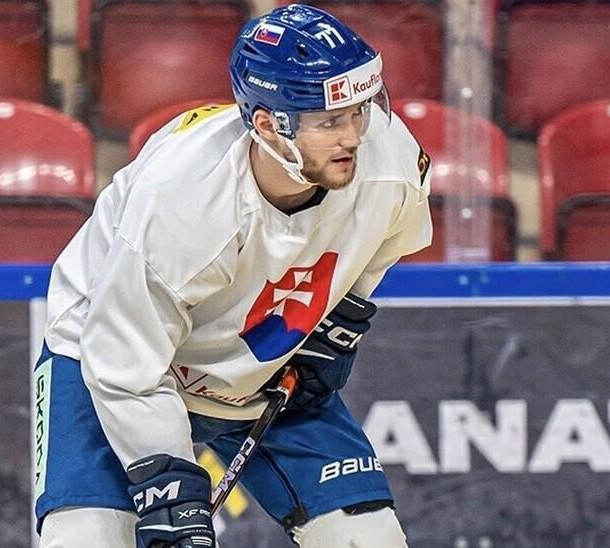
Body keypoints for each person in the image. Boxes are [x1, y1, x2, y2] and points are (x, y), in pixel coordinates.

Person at [33, 4, 432, 547]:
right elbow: (126, 362)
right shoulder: (181, 206)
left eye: (360, 110)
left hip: (264, 356)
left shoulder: (389, 161)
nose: (354, 137)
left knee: (371, 538)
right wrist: (167, 485)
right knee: (87, 538)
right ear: (268, 125)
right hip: (107, 352)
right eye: (330, 121)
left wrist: (339, 320)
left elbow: (384, 239)